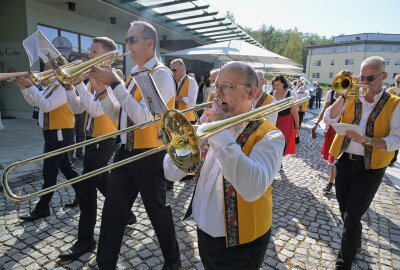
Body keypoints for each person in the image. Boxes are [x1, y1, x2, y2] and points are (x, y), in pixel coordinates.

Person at [164, 61, 285, 270]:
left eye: (226, 87)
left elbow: (252, 187)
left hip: (243, 244)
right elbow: (170, 172)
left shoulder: (270, 135)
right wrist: (188, 139)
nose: (216, 94)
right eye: (216, 85)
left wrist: (217, 132)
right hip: (204, 230)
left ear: (251, 93)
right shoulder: (207, 123)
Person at [89, 20, 181, 270]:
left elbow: (143, 119)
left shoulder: (160, 74)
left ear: (149, 44)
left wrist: (116, 83)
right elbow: (118, 114)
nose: (127, 45)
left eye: (132, 40)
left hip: (150, 154)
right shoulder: (133, 75)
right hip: (126, 151)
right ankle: (105, 263)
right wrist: (102, 92)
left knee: (157, 212)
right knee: (112, 212)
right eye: (127, 39)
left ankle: (173, 261)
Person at [59, 37, 136, 261]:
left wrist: (82, 83)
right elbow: (77, 108)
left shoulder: (114, 78)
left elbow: (95, 111)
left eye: (94, 51)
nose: (89, 55)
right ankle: (127, 214)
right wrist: (69, 86)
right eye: (90, 51)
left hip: (105, 139)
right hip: (92, 139)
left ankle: (85, 240)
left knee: (86, 188)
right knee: (102, 181)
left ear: (107, 56)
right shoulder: (92, 76)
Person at [324, 56, 400, 269]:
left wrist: (367, 140)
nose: (364, 82)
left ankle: (344, 261)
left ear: (383, 76)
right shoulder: (353, 97)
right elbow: (329, 119)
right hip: (344, 161)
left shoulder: (395, 104)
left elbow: (396, 140)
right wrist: (344, 96)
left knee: (352, 214)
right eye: (362, 76)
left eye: (370, 78)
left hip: (371, 168)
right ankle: (354, 243)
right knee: (343, 209)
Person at [14, 58, 79, 222]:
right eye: (45, 68)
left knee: (49, 171)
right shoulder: (50, 86)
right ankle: (83, 194)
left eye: (48, 68)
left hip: (61, 132)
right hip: (52, 132)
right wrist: (24, 89)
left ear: (58, 70)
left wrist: (30, 86)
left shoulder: (63, 87)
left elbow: (46, 106)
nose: (44, 71)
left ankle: (42, 208)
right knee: (67, 168)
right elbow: (35, 102)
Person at [311, 88, 338, 194]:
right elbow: (324, 110)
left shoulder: (353, 94)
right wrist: (316, 124)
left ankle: (335, 181)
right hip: (332, 129)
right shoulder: (331, 93)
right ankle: (331, 182)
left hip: (345, 128)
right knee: (332, 156)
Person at [271, 75, 299, 156]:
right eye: (274, 85)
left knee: (283, 142)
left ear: (283, 84)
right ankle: (277, 162)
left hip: (286, 121)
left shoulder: (290, 93)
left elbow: (294, 112)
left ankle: (279, 161)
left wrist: (297, 127)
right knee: (273, 142)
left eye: (278, 85)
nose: (276, 87)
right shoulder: (271, 93)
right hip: (273, 121)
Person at [170, 58, 198, 123]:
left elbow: (191, 102)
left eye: (174, 70)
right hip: (175, 119)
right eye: (171, 71)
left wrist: (174, 98)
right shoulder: (173, 81)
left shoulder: (191, 81)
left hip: (187, 120)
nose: (172, 73)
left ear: (183, 69)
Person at [386, 74, 400, 166]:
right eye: (397, 81)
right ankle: (389, 157)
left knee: (397, 136)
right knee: (389, 135)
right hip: (390, 116)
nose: (398, 84)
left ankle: (393, 158)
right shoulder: (390, 90)